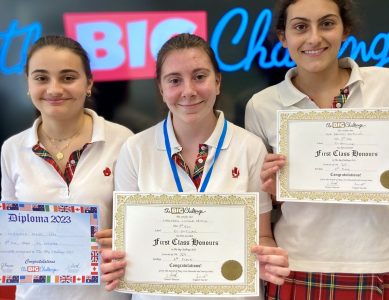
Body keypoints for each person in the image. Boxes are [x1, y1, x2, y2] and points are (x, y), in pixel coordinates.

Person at [100, 33, 290, 300]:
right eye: (175, 80)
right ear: (161, 88)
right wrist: (116, 260)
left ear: (218, 81)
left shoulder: (249, 147)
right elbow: (128, 244)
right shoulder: (135, 150)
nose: (188, 91)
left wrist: (268, 258)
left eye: (199, 76)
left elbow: (262, 237)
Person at [245, 0, 389, 299]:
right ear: (283, 37)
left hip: (379, 255)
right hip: (298, 260)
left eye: (327, 24)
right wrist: (273, 190)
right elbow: (265, 204)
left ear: (345, 30)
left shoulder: (387, 84)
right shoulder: (262, 106)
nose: (314, 38)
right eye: (300, 27)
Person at [0, 35, 133, 300]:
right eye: (41, 78)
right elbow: (10, 231)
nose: (54, 89)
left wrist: (123, 237)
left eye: (68, 77)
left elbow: (140, 227)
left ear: (89, 83)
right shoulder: (12, 149)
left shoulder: (123, 141)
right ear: (28, 84)